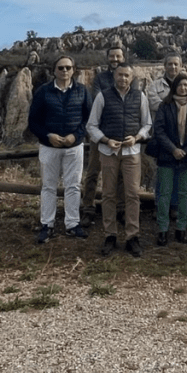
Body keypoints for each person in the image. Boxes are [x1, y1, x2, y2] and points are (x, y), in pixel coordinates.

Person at [86, 63, 152, 258]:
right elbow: (91, 125)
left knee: (132, 194)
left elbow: (147, 124)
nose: (123, 79)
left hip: (132, 151)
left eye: (127, 76)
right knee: (108, 194)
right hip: (108, 152)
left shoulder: (140, 96)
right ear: (114, 76)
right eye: (120, 75)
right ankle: (110, 235)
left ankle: (133, 236)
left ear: (132, 78)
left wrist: (137, 137)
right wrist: (106, 140)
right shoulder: (102, 96)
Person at [28, 55, 92, 244]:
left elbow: (88, 119)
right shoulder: (43, 92)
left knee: (73, 185)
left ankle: (72, 224)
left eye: (68, 68)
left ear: (74, 70)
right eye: (61, 68)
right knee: (48, 186)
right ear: (54, 70)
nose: (65, 71)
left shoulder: (82, 91)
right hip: (49, 147)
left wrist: (76, 135)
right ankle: (47, 224)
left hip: (74, 147)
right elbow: (33, 122)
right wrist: (48, 135)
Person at [152, 73, 187, 246]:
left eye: (186, 85)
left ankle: (181, 229)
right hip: (167, 156)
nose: (183, 88)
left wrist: (185, 150)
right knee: (165, 193)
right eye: (180, 85)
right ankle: (163, 229)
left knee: (183, 193)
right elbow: (159, 130)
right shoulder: (165, 106)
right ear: (174, 87)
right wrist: (173, 149)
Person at [80, 45, 128, 227]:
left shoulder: (131, 76)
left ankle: (121, 209)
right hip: (100, 132)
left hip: (121, 132)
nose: (115, 59)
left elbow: (131, 100)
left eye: (118, 56)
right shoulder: (100, 78)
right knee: (93, 171)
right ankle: (88, 209)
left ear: (123, 57)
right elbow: (97, 101)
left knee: (121, 173)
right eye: (112, 56)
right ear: (108, 58)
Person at [145, 52, 184, 219]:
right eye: (170, 64)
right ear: (165, 66)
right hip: (161, 135)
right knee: (162, 173)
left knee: (178, 172)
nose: (173, 67)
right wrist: (177, 103)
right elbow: (154, 104)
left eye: (176, 64)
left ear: (180, 66)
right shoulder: (154, 86)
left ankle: (174, 206)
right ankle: (160, 206)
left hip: (182, 137)